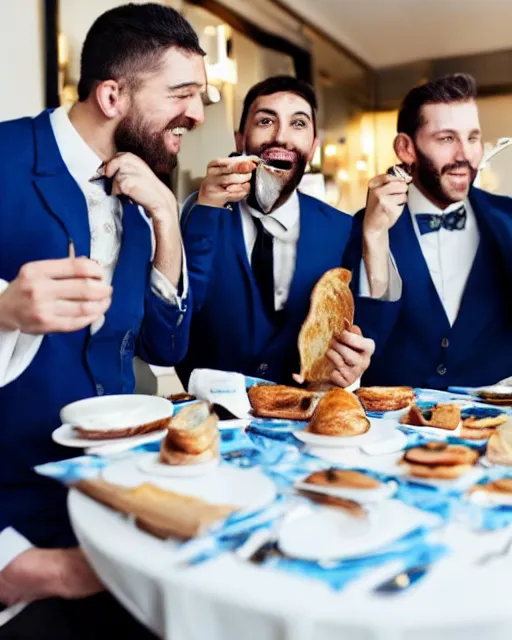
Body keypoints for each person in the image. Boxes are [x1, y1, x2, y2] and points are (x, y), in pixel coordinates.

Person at [0, 3, 206, 636]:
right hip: (19, 525)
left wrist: (167, 222)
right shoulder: (5, 155)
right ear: (112, 93)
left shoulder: (142, 187)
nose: (197, 115)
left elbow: (163, 345)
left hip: (116, 500)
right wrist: (3, 310)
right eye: (182, 94)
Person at [178, 75, 375, 389]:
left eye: (298, 124)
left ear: (312, 148)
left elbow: (355, 328)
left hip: (305, 420)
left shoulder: (342, 229)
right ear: (240, 139)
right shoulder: (197, 214)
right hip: (213, 422)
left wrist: (351, 367)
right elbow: (175, 324)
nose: (281, 137)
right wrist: (205, 210)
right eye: (266, 120)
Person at [347, 73, 512, 389]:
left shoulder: (508, 218)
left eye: (473, 138)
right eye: (447, 138)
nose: (465, 154)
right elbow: (364, 342)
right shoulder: (361, 227)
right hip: (396, 423)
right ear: (406, 148)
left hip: (496, 423)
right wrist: (375, 238)